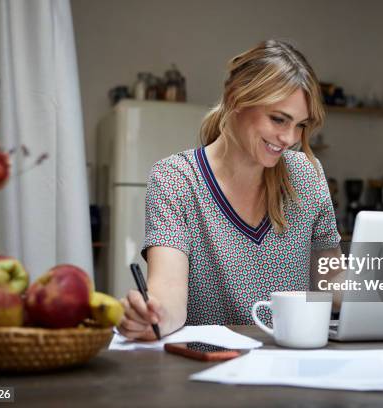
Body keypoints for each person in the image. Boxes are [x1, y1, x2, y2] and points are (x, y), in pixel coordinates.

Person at [118, 39, 343, 341]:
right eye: (278, 119)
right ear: (236, 99)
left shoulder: (307, 176)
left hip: (293, 364)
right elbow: (168, 294)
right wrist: (154, 317)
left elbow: (331, 283)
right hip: (210, 370)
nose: (290, 137)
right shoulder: (176, 180)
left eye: (301, 125)